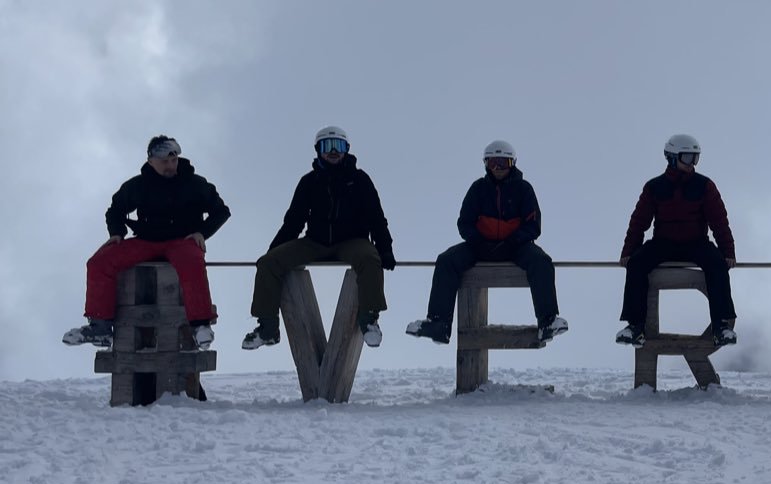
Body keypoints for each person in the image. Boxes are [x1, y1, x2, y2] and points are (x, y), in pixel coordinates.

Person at [63, 135, 230, 350]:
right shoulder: (139, 185)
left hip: (182, 240)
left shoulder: (195, 184)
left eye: (174, 160)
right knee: (99, 263)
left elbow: (221, 211)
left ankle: (200, 326)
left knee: (192, 261)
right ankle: (101, 328)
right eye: (164, 161)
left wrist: (202, 232)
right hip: (146, 240)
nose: (170, 165)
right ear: (151, 161)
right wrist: (117, 233)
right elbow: (115, 210)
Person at [243, 126, 396, 350]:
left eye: (339, 146)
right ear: (318, 150)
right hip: (316, 241)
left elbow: (376, 217)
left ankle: (369, 321)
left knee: (370, 259)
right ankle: (267, 328)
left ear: (346, 150)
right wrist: (274, 250)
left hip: (352, 241)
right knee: (268, 263)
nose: (333, 151)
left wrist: (385, 249)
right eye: (327, 146)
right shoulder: (310, 182)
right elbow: (293, 221)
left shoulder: (360, 180)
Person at [406, 140, 567, 345]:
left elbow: (533, 225)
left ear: (513, 163)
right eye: (492, 163)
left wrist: (513, 242)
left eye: (503, 163)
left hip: (515, 247)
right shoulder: (478, 189)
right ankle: (439, 323)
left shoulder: (524, 189)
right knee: (446, 260)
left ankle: (548, 321)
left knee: (542, 261)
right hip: (481, 246)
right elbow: (465, 222)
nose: (498, 168)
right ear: (485, 164)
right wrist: (478, 241)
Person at [616, 134, 737, 347]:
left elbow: (719, 221)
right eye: (688, 158)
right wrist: (629, 251)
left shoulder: (704, 186)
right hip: (664, 243)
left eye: (695, 158)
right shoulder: (654, 187)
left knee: (717, 264)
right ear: (672, 157)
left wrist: (728, 253)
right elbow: (639, 221)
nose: (692, 164)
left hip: (696, 243)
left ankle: (721, 326)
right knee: (636, 263)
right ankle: (635, 326)